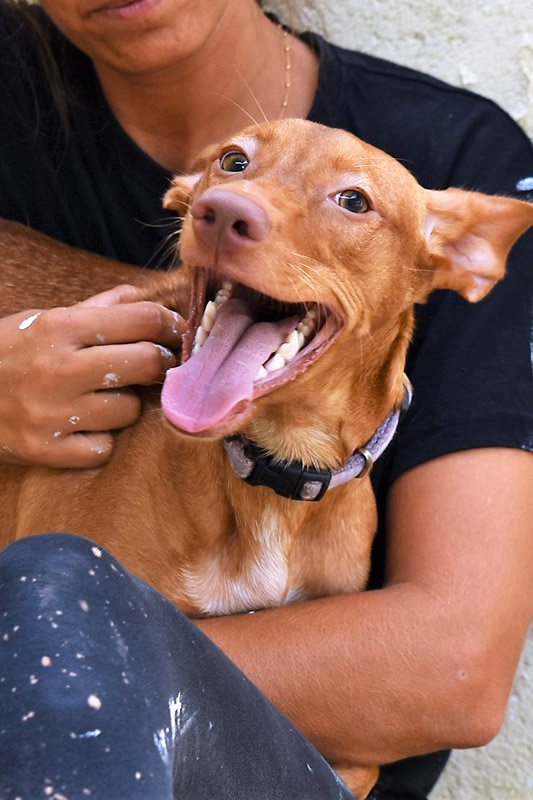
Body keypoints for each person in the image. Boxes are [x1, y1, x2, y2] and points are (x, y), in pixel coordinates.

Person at [0, 1, 531, 798]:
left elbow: (454, 675)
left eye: (350, 201)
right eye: (232, 169)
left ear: (455, 258)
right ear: (189, 198)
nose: (237, 206)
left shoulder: (457, 149)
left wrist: (93, 658)